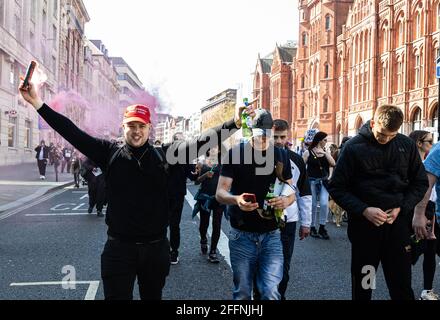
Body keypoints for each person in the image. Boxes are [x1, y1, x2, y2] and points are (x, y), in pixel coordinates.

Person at [19, 79, 247, 300]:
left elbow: (200, 142)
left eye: (141, 126)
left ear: (149, 128)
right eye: (131, 126)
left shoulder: (166, 154)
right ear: (123, 127)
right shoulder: (108, 153)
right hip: (118, 249)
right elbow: (72, 132)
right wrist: (38, 103)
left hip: (156, 249)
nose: (136, 131)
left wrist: (234, 123)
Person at [328, 105, 429, 300]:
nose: (386, 139)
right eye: (382, 134)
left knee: (401, 286)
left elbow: (420, 183)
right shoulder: (353, 147)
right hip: (365, 230)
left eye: (392, 135)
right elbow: (337, 188)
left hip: (397, 228)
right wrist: (364, 210)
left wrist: (403, 207)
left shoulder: (406, 145)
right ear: (373, 123)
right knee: (364, 287)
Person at [216, 109, 296, 300]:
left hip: (272, 234)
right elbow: (220, 193)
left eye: (267, 135)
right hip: (242, 234)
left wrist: (285, 200)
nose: (263, 140)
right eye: (260, 134)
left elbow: (291, 191)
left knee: (270, 292)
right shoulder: (236, 154)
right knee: (243, 292)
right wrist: (236, 200)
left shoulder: (281, 155)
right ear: (251, 130)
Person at [272, 119, 312, 300]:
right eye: (275, 137)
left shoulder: (296, 160)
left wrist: (306, 223)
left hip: (289, 219)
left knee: (284, 264)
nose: (279, 141)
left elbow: (304, 192)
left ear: (287, 136)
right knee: (262, 264)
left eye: (282, 137)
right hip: (263, 220)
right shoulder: (257, 158)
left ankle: (280, 296)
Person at [410, 130, 439, 300]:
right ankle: (403, 290)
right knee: (411, 252)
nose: (432, 143)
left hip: (431, 210)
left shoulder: (430, 159)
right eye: (429, 140)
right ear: (419, 143)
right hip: (416, 211)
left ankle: (427, 291)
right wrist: (418, 213)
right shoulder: (412, 164)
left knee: (430, 251)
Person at [167, 132, 198, 265]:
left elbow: (193, 176)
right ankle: (169, 251)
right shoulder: (172, 156)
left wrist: (198, 172)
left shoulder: (185, 157)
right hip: (166, 194)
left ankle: (173, 252)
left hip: (176, 195)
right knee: (168, 224)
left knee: (173, 225)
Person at [192, 146, 224, 263]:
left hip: (218, 198)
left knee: (217, 224)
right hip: (204, 198)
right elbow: (196, 181)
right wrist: (205, 175)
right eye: (211, 148)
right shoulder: (201, 164)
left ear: (220, 150)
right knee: (204, 223)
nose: (214, 150)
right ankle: (203, 239)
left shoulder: (223, 164)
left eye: (216, 148)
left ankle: (213, 251)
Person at [302, 132, 336, 239]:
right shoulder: (308, 152)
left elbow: (333, 163)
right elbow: (302, 168)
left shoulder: (326, 152)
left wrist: (325, 153)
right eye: (325, 140)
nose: (326, 142)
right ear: (319, 140)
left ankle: (322, 227)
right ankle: (312, 227)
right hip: (311, 181)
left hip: (324, 182)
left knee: (324, 204)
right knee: (312, 205)